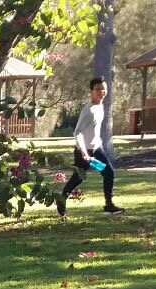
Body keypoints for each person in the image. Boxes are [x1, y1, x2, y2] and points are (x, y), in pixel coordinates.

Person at [58, 77, 124, 216]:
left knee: (108, 172)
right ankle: (62, 198)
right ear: (91, 91)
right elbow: (78, 132)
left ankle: (109, 205)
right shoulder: (89, 110)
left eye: (103, 89)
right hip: (84, 151)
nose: (101, 92)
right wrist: (83, 152)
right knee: (79, 178)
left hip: (96, 149)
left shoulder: (100, 106)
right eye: (97, 89)